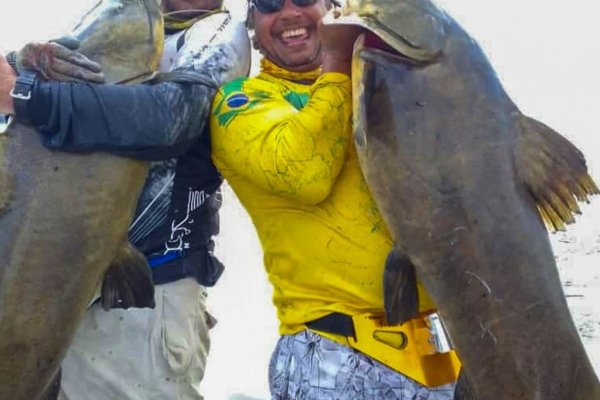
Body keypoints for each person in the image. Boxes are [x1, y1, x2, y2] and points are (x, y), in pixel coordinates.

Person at [210, 0, 461, 398]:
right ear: (252, 25)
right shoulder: (241, 103)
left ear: (333, 8)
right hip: (333, 358)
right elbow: (303, 172)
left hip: (442, 353)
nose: (290, 12)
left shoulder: (383, 90)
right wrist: (338, 60)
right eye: (271, 2)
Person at [0, 0, 250, 398]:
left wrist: (27, 94)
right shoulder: (124, 20)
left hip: (146, 304)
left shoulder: (217, 35)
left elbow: (171, 119)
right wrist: (24, 60)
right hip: (61, 298)